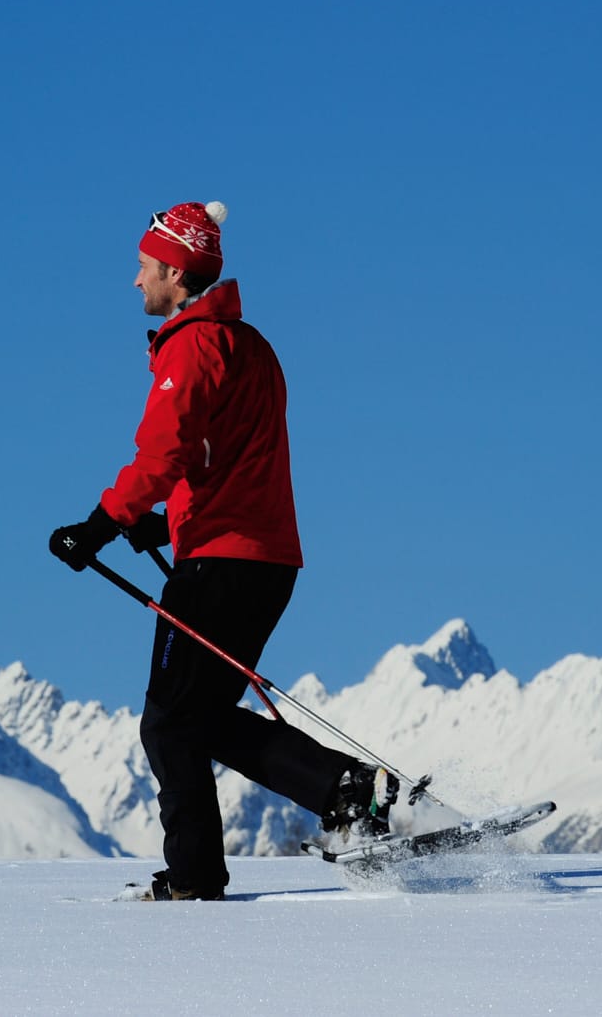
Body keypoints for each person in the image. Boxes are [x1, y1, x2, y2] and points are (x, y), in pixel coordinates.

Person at [49, 200, 396, 901]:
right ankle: (346, 790)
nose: (135, 279)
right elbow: (231, 460)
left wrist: (103, 522)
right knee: (199, 718)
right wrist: (164, 527)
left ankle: (197, 877)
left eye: (145, 266)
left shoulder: (194, 345)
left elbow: (166, 449)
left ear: (176, 272)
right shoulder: (252, 346)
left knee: (170, 723)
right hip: (267, 559)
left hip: (221, 561)